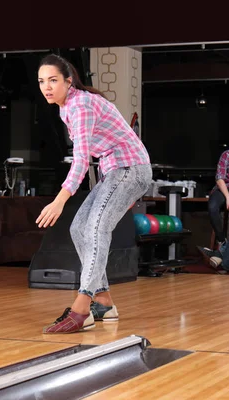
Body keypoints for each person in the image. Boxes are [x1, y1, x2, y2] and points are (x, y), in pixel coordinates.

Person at [35, 54, 152, 334]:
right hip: (116, 171)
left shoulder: (81, 106)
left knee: (96, 229)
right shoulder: (65, 108)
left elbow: (81, 160)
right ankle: (104, 302)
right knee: (79, 229)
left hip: (130, 167)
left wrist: (60, 200)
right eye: (41, 81)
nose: (47, 87)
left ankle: (82, 307)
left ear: (68, 81)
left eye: (53, 80)